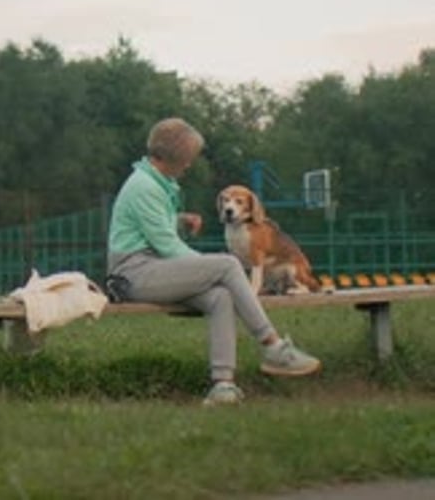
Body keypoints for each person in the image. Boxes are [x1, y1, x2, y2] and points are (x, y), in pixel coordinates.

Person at [107, 117, 321, 405]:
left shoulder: (155, 183)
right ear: (176, 157)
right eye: (188, 159)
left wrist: (180, 220)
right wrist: (211, 269)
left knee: (220, 297)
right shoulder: (144, 186)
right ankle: (273, 346)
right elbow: (166, 245)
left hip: (153, 267)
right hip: (133, 274)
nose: (189, 165)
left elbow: (153, 225)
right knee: (228, 265)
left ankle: (223, 386)